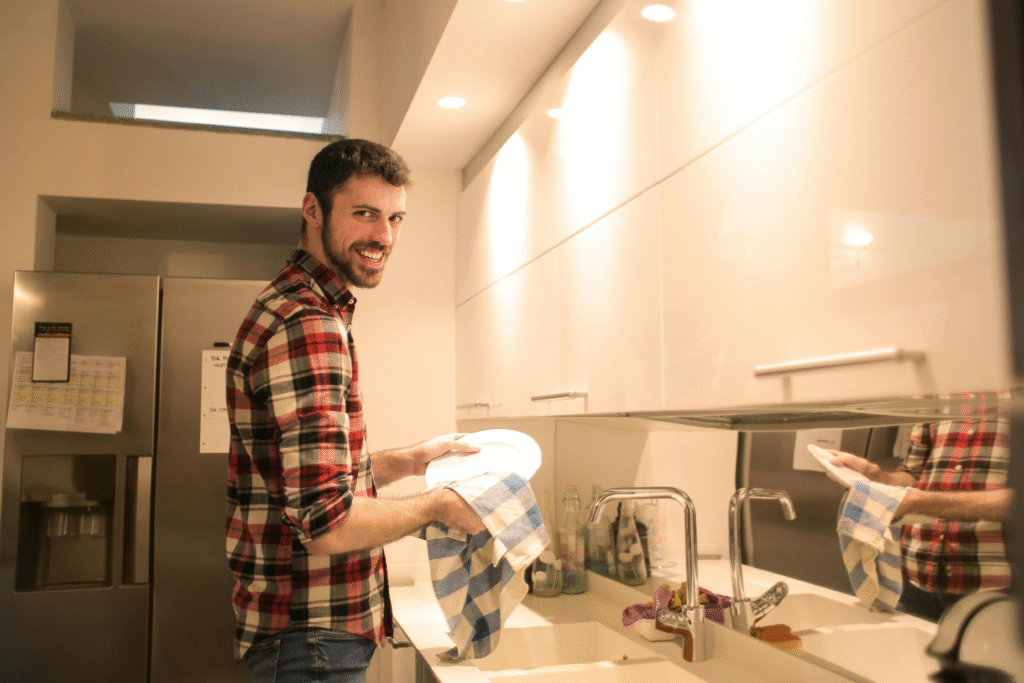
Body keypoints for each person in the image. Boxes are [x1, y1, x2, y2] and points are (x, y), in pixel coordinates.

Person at [225, 138, 485, 683]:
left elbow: (310, 478)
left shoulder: (307, 308)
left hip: (305, 634)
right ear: (313, 210)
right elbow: (325, 522)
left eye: (395, 217)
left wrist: (411, 461)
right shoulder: (308, 323)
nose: (383, 236)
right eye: (364, 213)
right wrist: (438, 504)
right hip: (311, 637)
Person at [828, 412, 1013, 621]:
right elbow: (915, 475)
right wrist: (877, 476)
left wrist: (918, 502)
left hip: (999, 586)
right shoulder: (937, 398)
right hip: (915, 575)